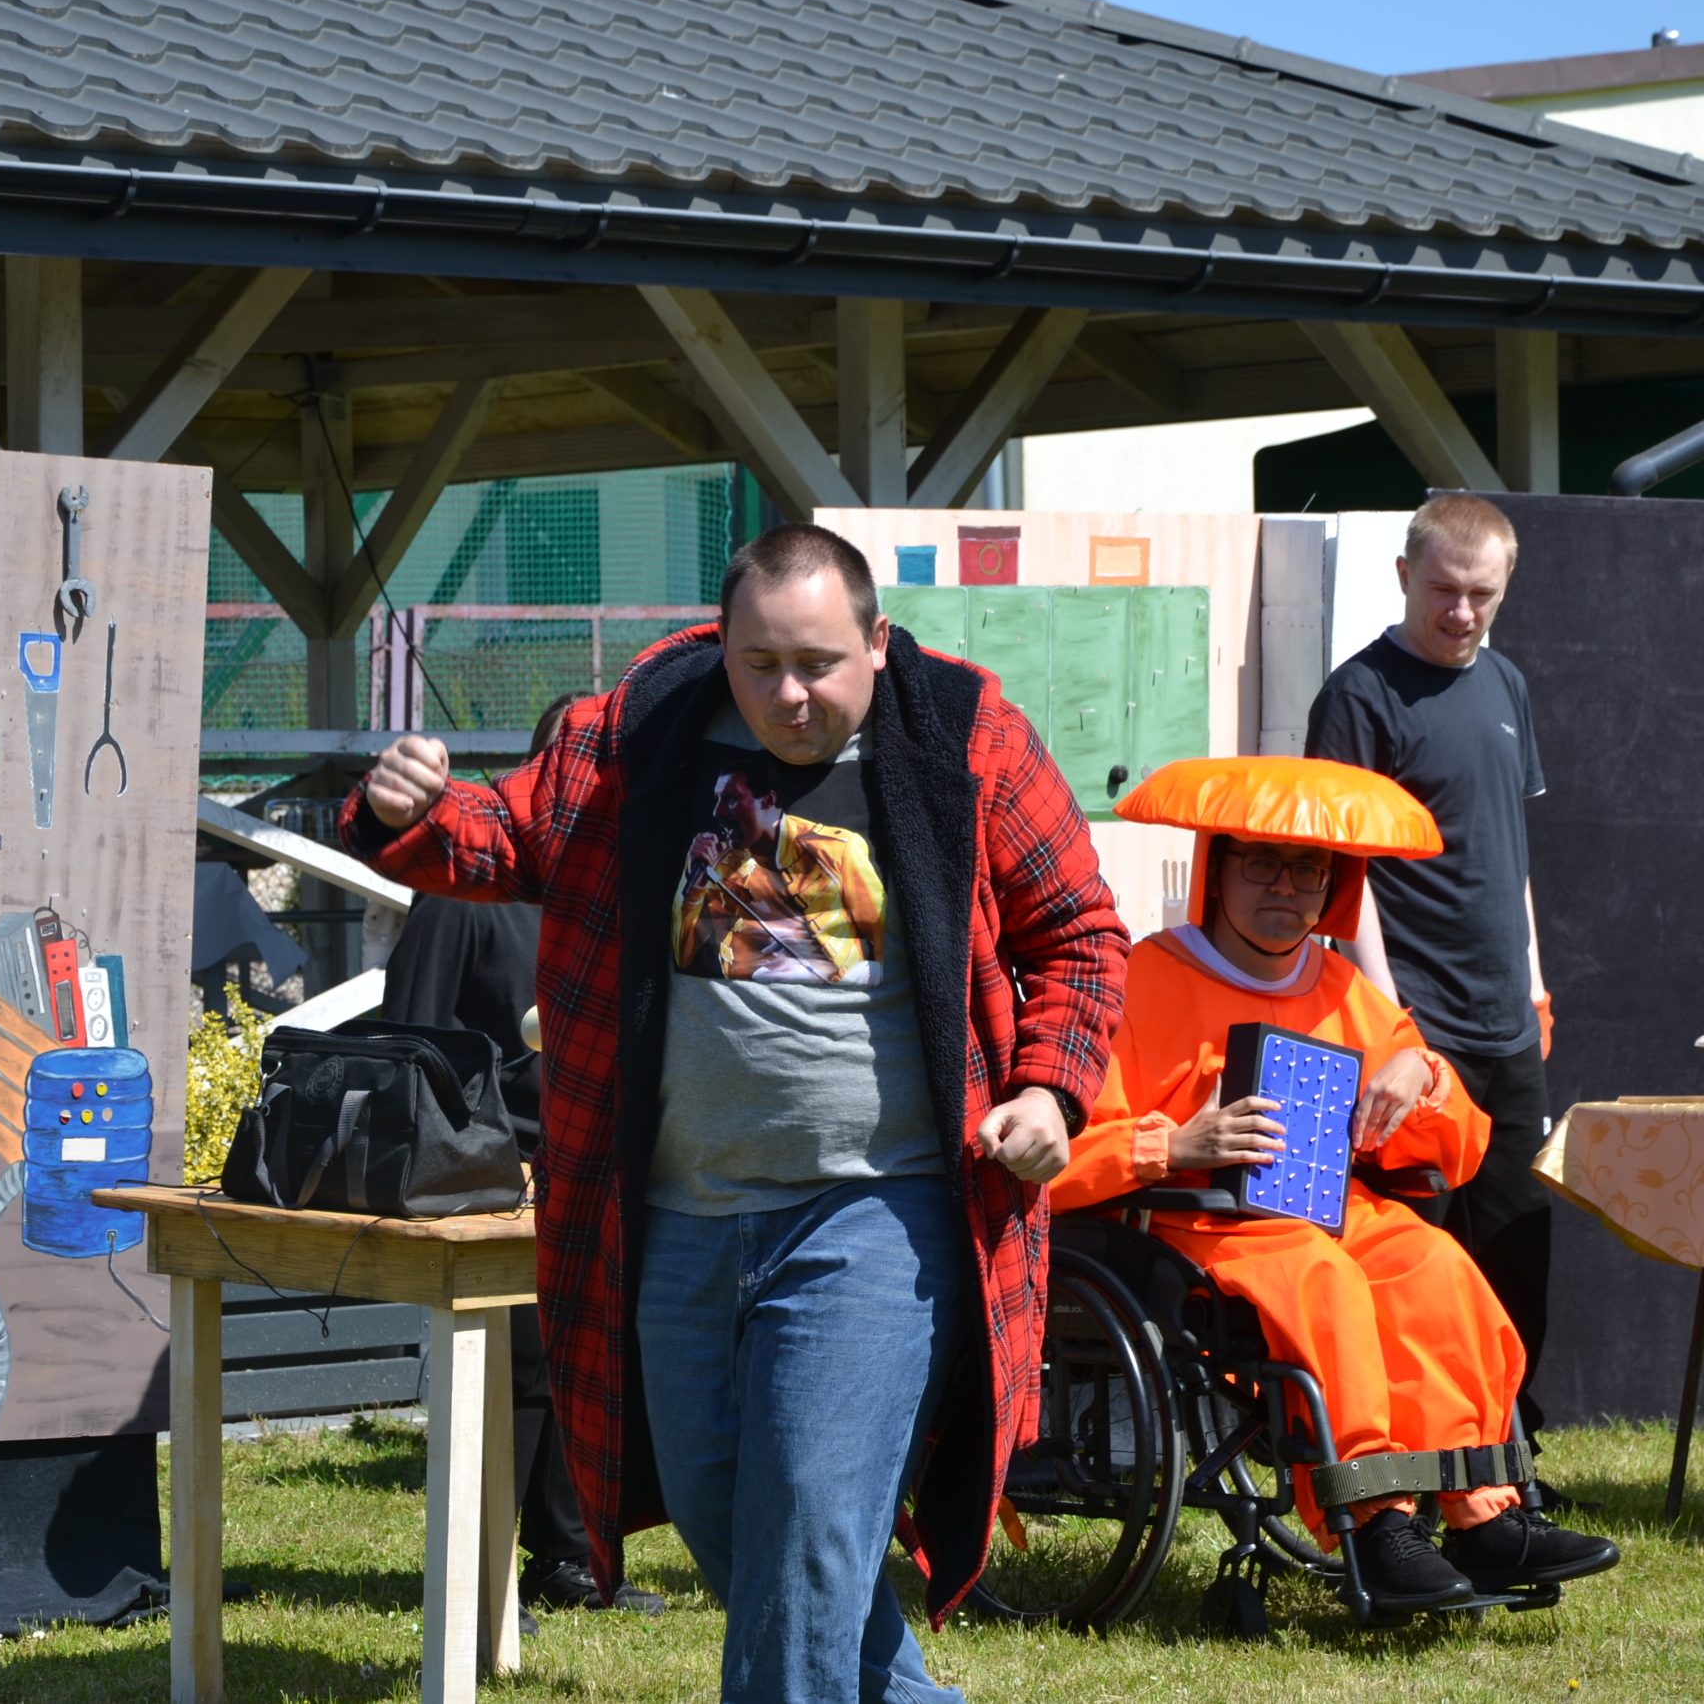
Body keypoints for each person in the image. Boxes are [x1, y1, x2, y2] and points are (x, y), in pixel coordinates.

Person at [342, 522, 1127, 1704]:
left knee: (805, 1524)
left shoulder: (966, 737)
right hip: (680, 1217)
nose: (789, 696)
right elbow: (501, 837)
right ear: (723, 647)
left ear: (876, 641)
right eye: (760, 666)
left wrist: (1047, 1087)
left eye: (817, 664)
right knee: (729, 1520)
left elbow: (1080, 933)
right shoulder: (644, 728)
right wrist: (411, 808)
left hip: (879, 1215)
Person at [1052, 756, 1618, 1610]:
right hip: (1201, 1227)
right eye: (1262, 863)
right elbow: (1062, 1156)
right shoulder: (1144, 979)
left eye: (1308, 869)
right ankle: (1377, 1520)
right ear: (1218, 870)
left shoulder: (1346, 990)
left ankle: (1483, 1514)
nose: (1286, 886)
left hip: (1334, 1209)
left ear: (1335, 885)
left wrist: (1422, 1076)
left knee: (1436, 1265)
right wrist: (1175, 1141)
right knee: (1325, 1281)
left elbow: (1460, 1149)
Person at [375, 692, 665, 1630]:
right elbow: (412, 1034)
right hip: (495, 1175)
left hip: (599, 1169)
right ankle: (476, 1572)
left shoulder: (626, 897)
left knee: (587, 1363)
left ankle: (570, 1555)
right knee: (511, 1375)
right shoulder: (465, 898)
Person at [1303, 493, 1558, 1451]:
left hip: (1506, 1023)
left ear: (1507, 587)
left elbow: (1511, 850)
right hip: (1414, 1030)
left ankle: (1513, 1455)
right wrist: (1386, 1017)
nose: (1461, 612)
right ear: (1405, 575)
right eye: (1444, 590)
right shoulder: (1359, 696)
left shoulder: (1507, 682)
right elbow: (1345, 874)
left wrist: (1534, 980)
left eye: (1481, 594)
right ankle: (1416, 1461)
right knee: (1416, 1256)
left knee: (1518, 1245)